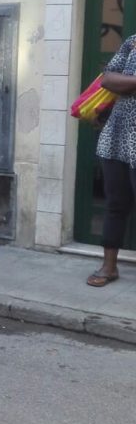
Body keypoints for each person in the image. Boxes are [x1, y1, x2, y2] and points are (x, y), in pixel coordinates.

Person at [87, 34, 136, 286]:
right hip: (117, 138)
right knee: (116, 203)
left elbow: (120, 81)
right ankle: (109, 267)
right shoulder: (133, 42)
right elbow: (108, 79)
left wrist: (127, 83)